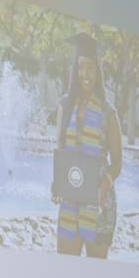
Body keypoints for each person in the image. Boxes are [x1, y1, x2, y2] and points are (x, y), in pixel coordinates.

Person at [52, 31, 123, 258]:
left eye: (91, 67)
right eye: (81, 66)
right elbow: (61, 152)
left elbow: (118, 163)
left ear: (98, 71)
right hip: (70, 201)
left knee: (96, 277)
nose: (86, 73)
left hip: (99, 203)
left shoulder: (108, 113)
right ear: (75, 69)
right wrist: (56, 184)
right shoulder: (65, 105)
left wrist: (104, 185)